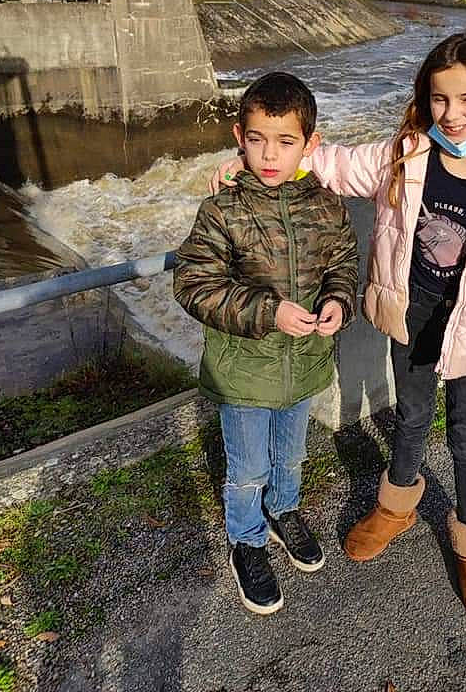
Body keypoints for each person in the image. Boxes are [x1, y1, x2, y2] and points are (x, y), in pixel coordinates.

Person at [211, 33, 466, 623]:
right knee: (410, 415)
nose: (451, 115)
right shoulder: (404, 156)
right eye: (439, 99)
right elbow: (334, 163)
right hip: (414, 312)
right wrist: (254, 163)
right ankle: (397, 505)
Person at [175, 71, 358, 616]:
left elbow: (343, 263)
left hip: (303, 364)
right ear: (239, 137)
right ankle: (247, 541)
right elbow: (193, 283)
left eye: (284, 141)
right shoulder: (223, 209)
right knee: (248, 467)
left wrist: (338, 301)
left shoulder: (326, 205)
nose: (269, 154)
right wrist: (268, 311)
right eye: (256, 140)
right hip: (243, 372)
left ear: (310, 144)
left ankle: (284, 511)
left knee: (291, 454)